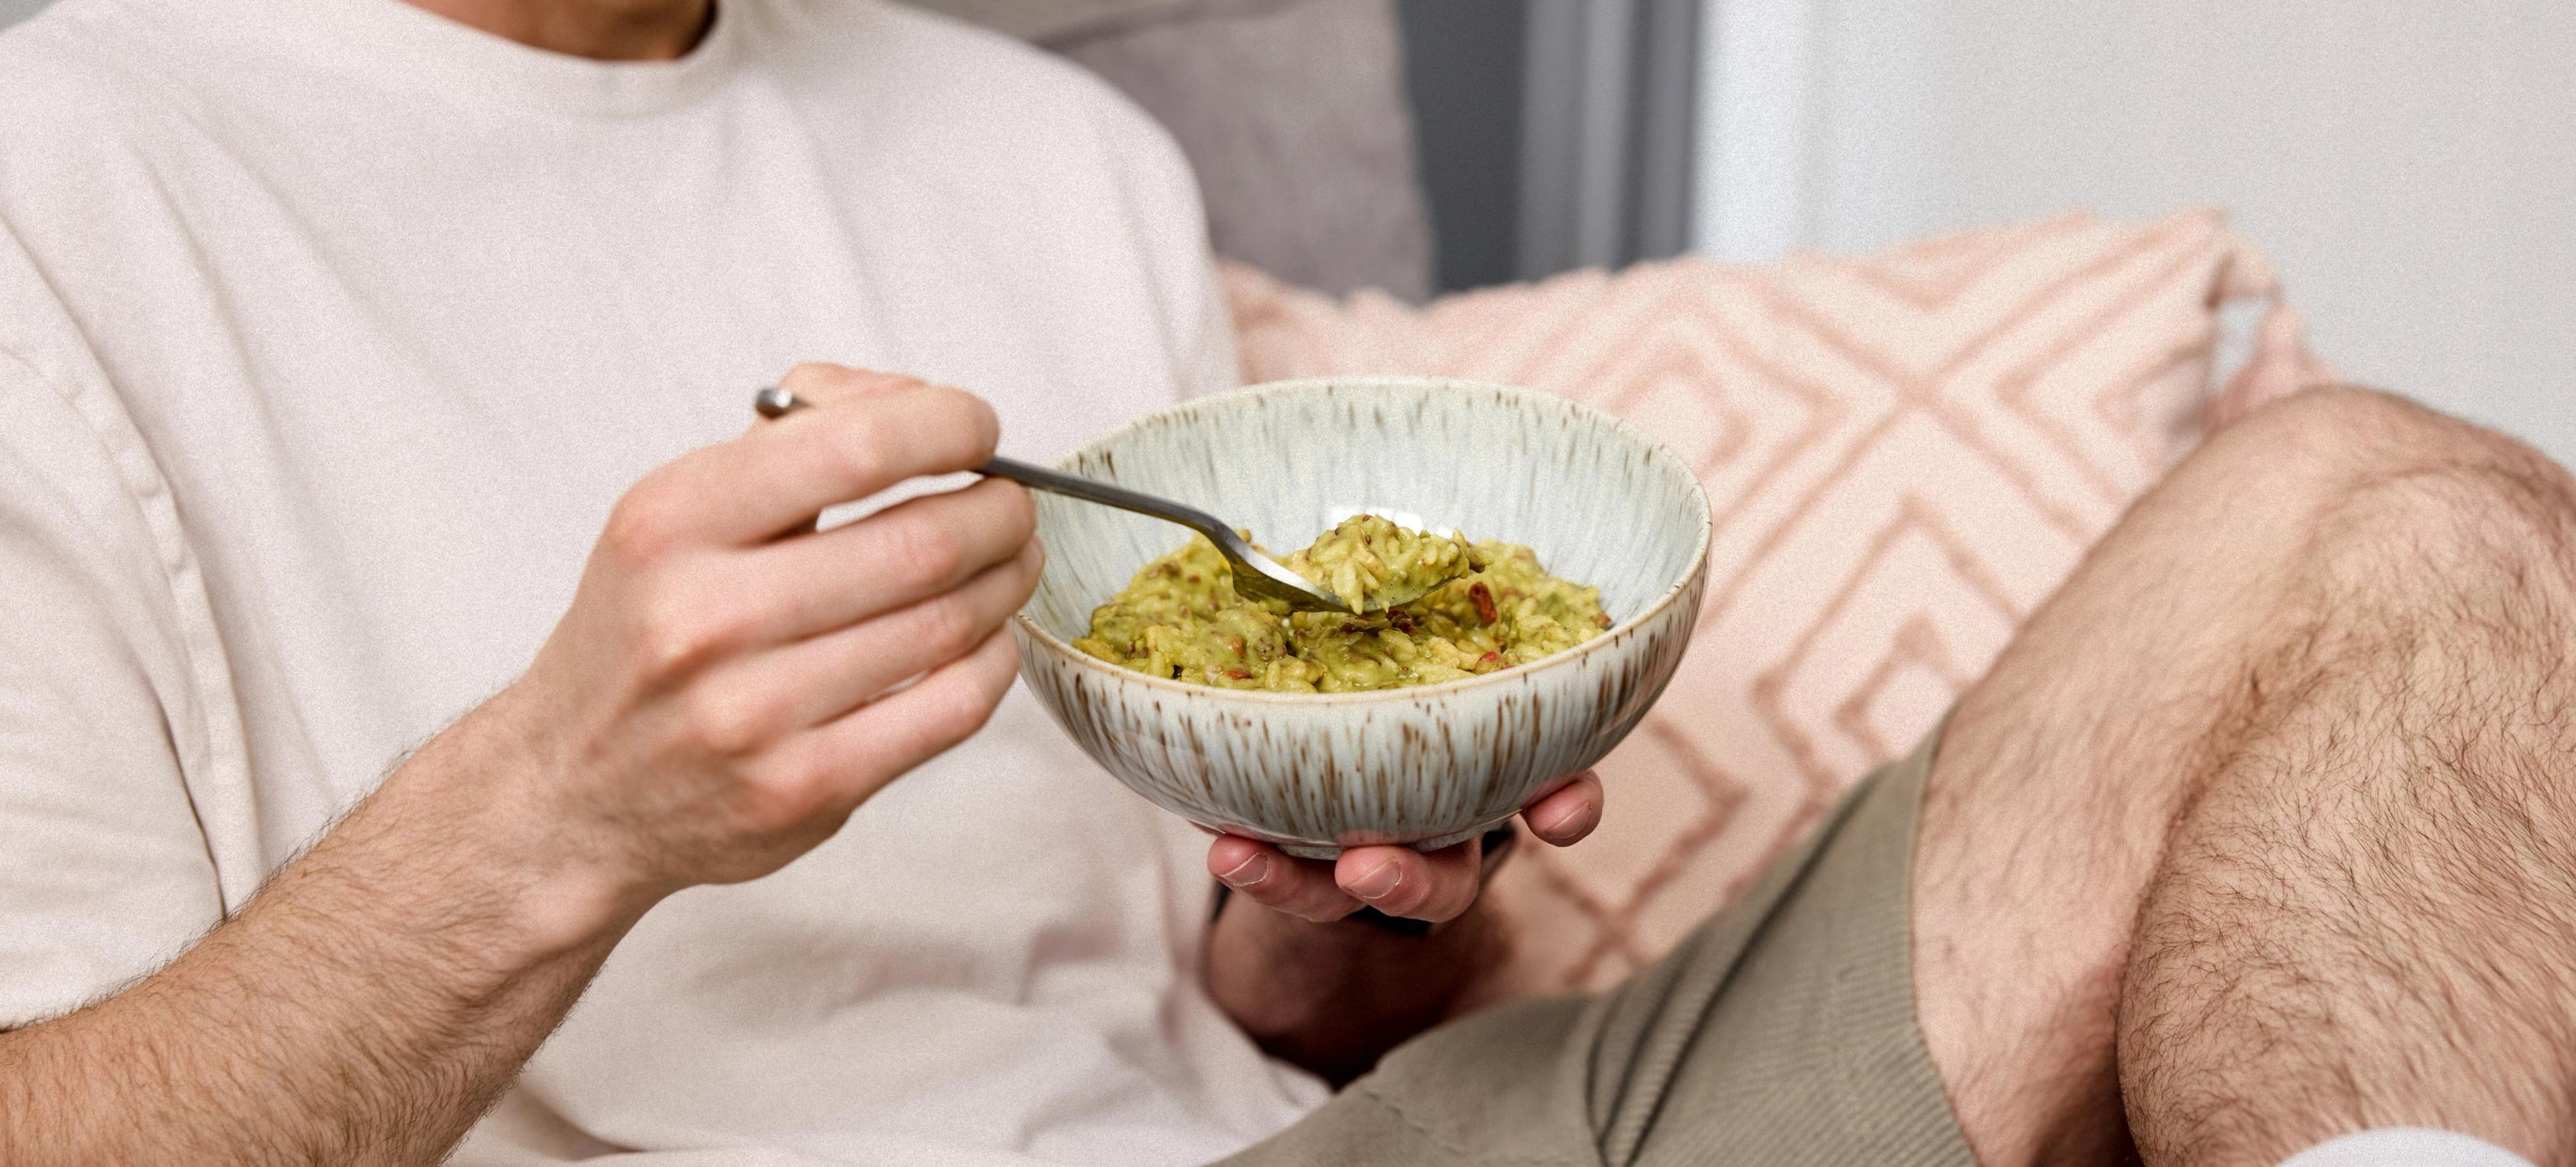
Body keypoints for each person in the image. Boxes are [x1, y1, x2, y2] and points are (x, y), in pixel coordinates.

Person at [1, 3, 2570, 1167]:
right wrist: (555, 813)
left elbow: (1271, 1008)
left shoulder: (1036, 152)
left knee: (2405, 517)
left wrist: (1363, 897)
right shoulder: (65, 176)